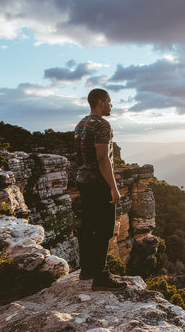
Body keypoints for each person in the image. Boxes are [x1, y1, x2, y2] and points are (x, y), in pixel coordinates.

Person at [74, 88, 126, 291]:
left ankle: (87, 270)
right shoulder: (103, 125)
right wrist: (113, 188)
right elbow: (103, 158)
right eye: (109, 101)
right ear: (100, 102)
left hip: (83, 182)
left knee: (88, 226)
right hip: (98, 183)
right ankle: (101, 277)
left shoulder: (80, 124)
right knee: (104, 228)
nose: (111, 105)